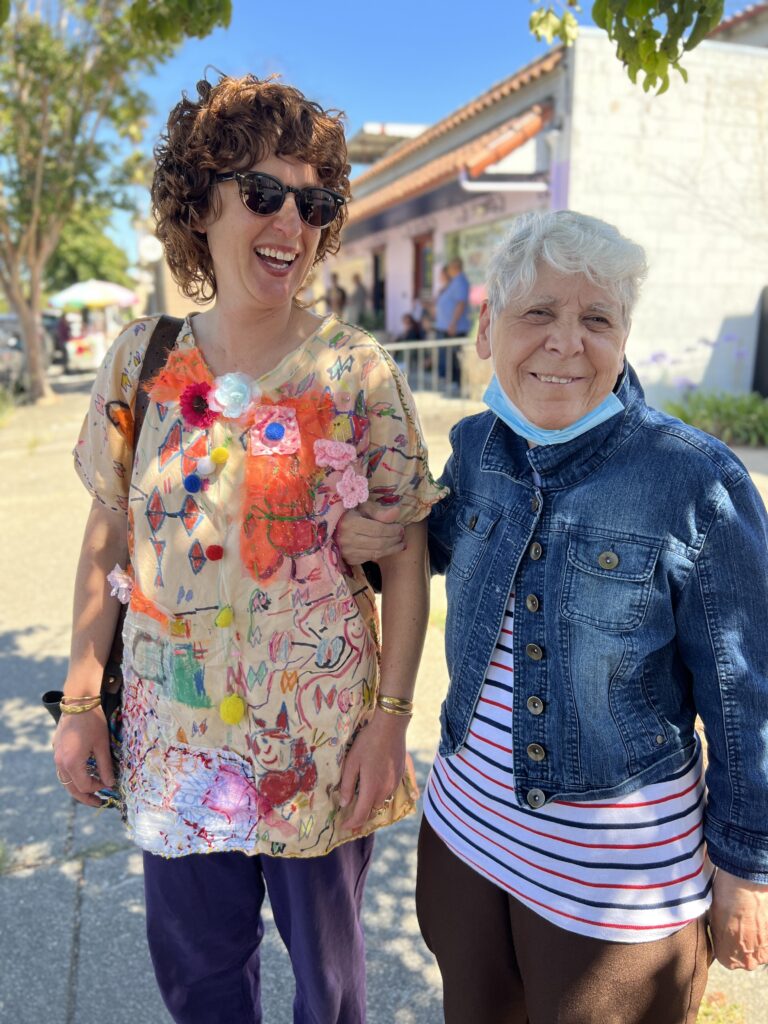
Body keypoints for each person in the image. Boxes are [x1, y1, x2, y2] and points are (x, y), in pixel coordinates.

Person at [52, 73, 445, 1024]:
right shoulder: (142, 359)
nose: (292, 224)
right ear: (201, 200)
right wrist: (78, 698)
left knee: (332, 991)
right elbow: (108, 526)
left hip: (320, 752)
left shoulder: (357, 370)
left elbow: (403, 555)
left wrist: (391, 721)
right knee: (200, 986)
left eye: (313, 203)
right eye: (263, 192)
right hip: (173, 742)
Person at [336, 211, 768, 1023]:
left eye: (596, 319)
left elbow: (750, 695)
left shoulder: (696, 482)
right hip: (465, 841)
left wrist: (748, 867)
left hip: (615, 895)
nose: (568, 343)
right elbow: (446, 541)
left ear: (624, 335)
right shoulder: (479, 446)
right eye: (539, 313)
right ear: (488, 327)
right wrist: (376, 539)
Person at [435, 259, 470, 390]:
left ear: (455, 267)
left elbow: (461, 304)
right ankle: (448, 381)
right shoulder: (454, 281)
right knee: (447, 356)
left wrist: (453, 323)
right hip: (446, 326)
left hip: (454, 328)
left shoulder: (460, 281)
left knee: (454, 357)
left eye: (449, 267)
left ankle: (455, 382)